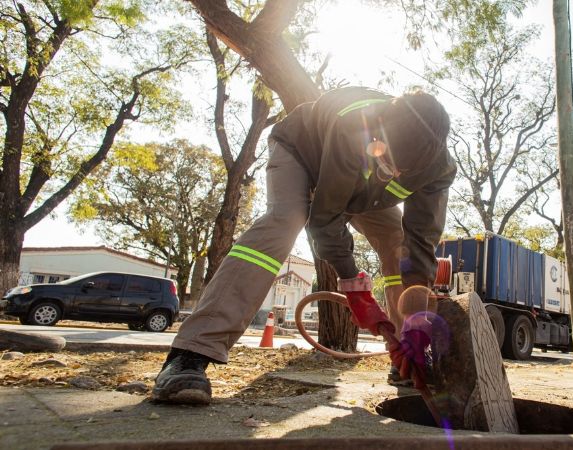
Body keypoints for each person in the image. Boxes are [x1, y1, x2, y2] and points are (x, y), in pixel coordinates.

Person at [152, 87, 456, 405]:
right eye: (388, 161)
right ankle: (190, 353)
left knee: (398, 244)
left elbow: (421, 241)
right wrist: (354, 286)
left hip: (362, 189)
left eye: (402, 172)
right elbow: (325, 220)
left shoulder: (439, 168)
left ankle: (406, 360)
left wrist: (415, 321)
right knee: (284, 221)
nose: (393, 173)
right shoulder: (354, 122)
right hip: (301, 153)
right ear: (382, 123)